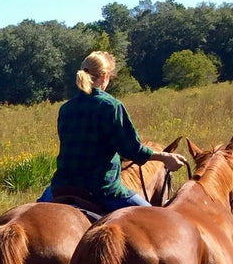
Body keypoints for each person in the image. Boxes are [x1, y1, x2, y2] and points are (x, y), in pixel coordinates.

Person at [37, 51, 186, 210]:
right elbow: (132, 150)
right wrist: (164, 157)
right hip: (102, 190)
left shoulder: (66, 108)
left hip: (61, 187)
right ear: (104, 76)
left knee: (33, 212)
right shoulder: (111, 106)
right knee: (155, 218)